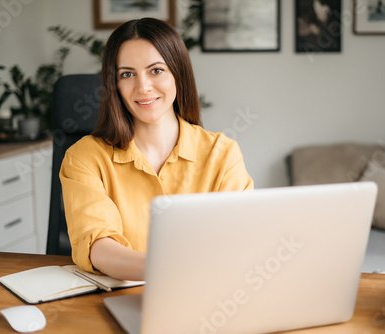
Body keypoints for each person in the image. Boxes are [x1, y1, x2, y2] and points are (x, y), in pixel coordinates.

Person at [59, 18, 253, 281]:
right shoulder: (84, 158)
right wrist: (168, 269)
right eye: (127, 74)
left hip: (204, 296)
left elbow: (238, 240)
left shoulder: (223, 154)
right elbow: (97, 244)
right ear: (114, 84)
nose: (143, 87)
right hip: (120, 296)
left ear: (178, 73)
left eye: (156, 70)